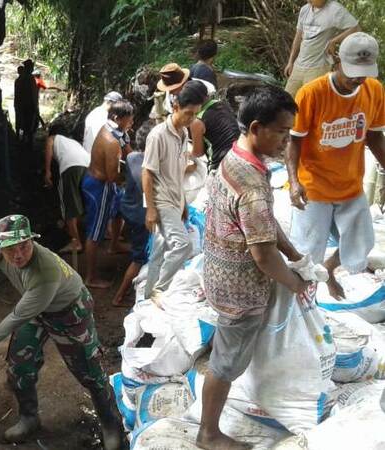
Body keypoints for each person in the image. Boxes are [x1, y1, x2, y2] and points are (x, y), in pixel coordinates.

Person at [0, 214, 123, 450]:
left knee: (90, 372)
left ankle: (111, 424)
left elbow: (20, 314)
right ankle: (29, 418)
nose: (18, 254)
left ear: (32, 241)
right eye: (11, 249)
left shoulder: (45, 270)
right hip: (36, 311)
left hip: (69, 312)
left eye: (24, 246)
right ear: (0, 247)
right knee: (20, 366)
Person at [198, 85, 310, 450]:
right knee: (225, 364)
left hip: (218, 275)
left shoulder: (234, 156)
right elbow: (262, 255)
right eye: (281, 131)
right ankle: (208, 433)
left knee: (227, 351)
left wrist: (291, 250)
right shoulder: (253, 183)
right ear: (257, 127)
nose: (286, 140)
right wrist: (295, 282)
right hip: (240, 293)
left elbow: (263, 223)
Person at [287, 32, 385, 299]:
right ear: (336, 62)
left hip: (350, 184)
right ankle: (302, 303)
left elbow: (375, 136)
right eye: (352, 71)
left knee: (361, 242)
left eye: (364, 72)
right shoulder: (311, 93)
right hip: (314, 187)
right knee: (307, 253)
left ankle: (329, 269)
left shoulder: (374, 90)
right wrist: (294, 182)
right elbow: (294, 141)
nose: (358, 78)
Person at [142, 82, 204, 300]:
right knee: (183, 246)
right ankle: (160, 290)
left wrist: (184, 203)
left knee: (159, 253)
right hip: (161, 201)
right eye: (188, 113)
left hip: (175, 200)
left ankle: (150, 296)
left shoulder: (183, 132)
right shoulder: (157, 135)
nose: (191, 119)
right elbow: (147, 173)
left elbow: (177, 172)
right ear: (175, 106)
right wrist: (150, 209)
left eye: (195, 114)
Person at [83, 100, 134, 289]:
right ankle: (90, 277)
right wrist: (132, 178)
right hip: (100, 186)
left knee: (119, 210)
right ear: (116, 118)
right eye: (129, 120)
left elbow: (129, 152)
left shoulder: (115, 132)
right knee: (95, 232)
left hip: (105, 184)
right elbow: (113, 176)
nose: (132, 123)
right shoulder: (111, 142)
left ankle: (114, 245)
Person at [284, 0, 359, 97]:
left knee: (311, 103)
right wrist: (291, 62)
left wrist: (334, 41)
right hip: (299, 66)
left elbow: (355, 28)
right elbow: (298, 37)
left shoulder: (335, 9)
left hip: (318, 68)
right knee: (286, 102)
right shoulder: (305, 10)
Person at [43, 123, 90, 253]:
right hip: (87, 166)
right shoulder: (73, 142)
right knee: (79, 198)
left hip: (70, 167)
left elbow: (48, 148)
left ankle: (76, 242)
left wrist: (47, 172)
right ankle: (84, 231)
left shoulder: (53, 138)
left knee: (68, 203)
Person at [111, 150, 148, 307]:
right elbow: (148, 192)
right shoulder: (146, 170)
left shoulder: (132, 156)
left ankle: (114, 245)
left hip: (126, 206)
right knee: (139, 258)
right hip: (140, 216)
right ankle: (119, 297)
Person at [188, 81, 241, 171]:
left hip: (220, 164)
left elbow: (198, 153)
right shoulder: (222, 104)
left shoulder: (198, 121)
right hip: (239, 153)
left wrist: (185, 154)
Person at [14, 60, 38, 148]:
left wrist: (16, 106)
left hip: (20, 106)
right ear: (30, 68)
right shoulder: (31, 79)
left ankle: (20, 140)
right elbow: (33, 94)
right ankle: (29, 145)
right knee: (30, 125)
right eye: (32, 67)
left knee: (21, 123)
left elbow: (17, 95)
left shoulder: (19, 80)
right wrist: (35, 107)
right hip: (29, 107)